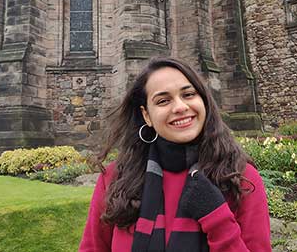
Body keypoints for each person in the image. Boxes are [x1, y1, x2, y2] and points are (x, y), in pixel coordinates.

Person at [79, 57, 272, 252]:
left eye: (188, 94)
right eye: (163, 100)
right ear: (147, 116)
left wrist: (217, 219)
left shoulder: (242, 179)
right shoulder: (116, 177)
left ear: (203, 100)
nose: (180, 107)